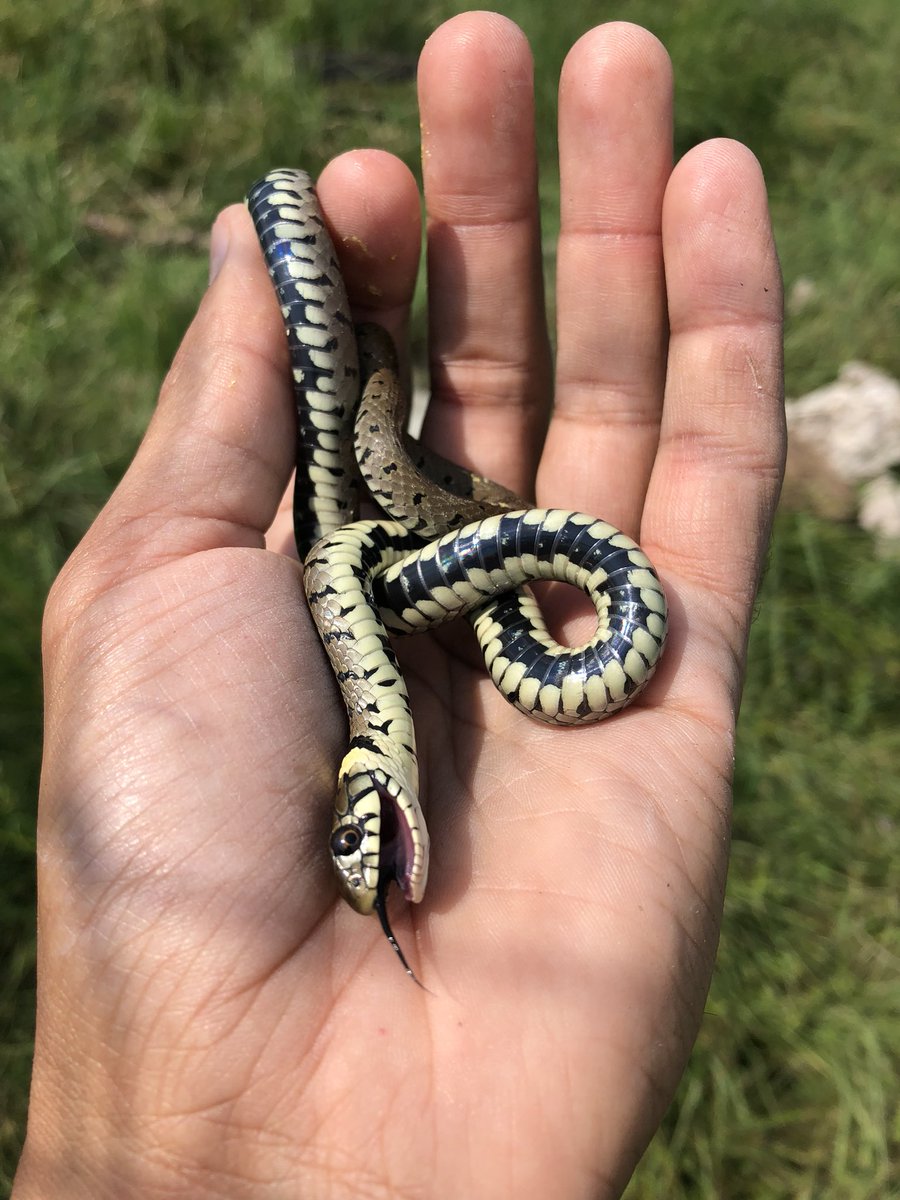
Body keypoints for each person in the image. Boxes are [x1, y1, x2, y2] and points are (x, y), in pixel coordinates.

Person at [14, 13, 784, 1199]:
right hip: (407, 539)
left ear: (358, 795)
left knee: (310, 222)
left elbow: (401, 562)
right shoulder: (379, 648)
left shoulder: (380, 661)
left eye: (354, 842)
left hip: (404, 535)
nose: (381, 855)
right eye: (374, 850)